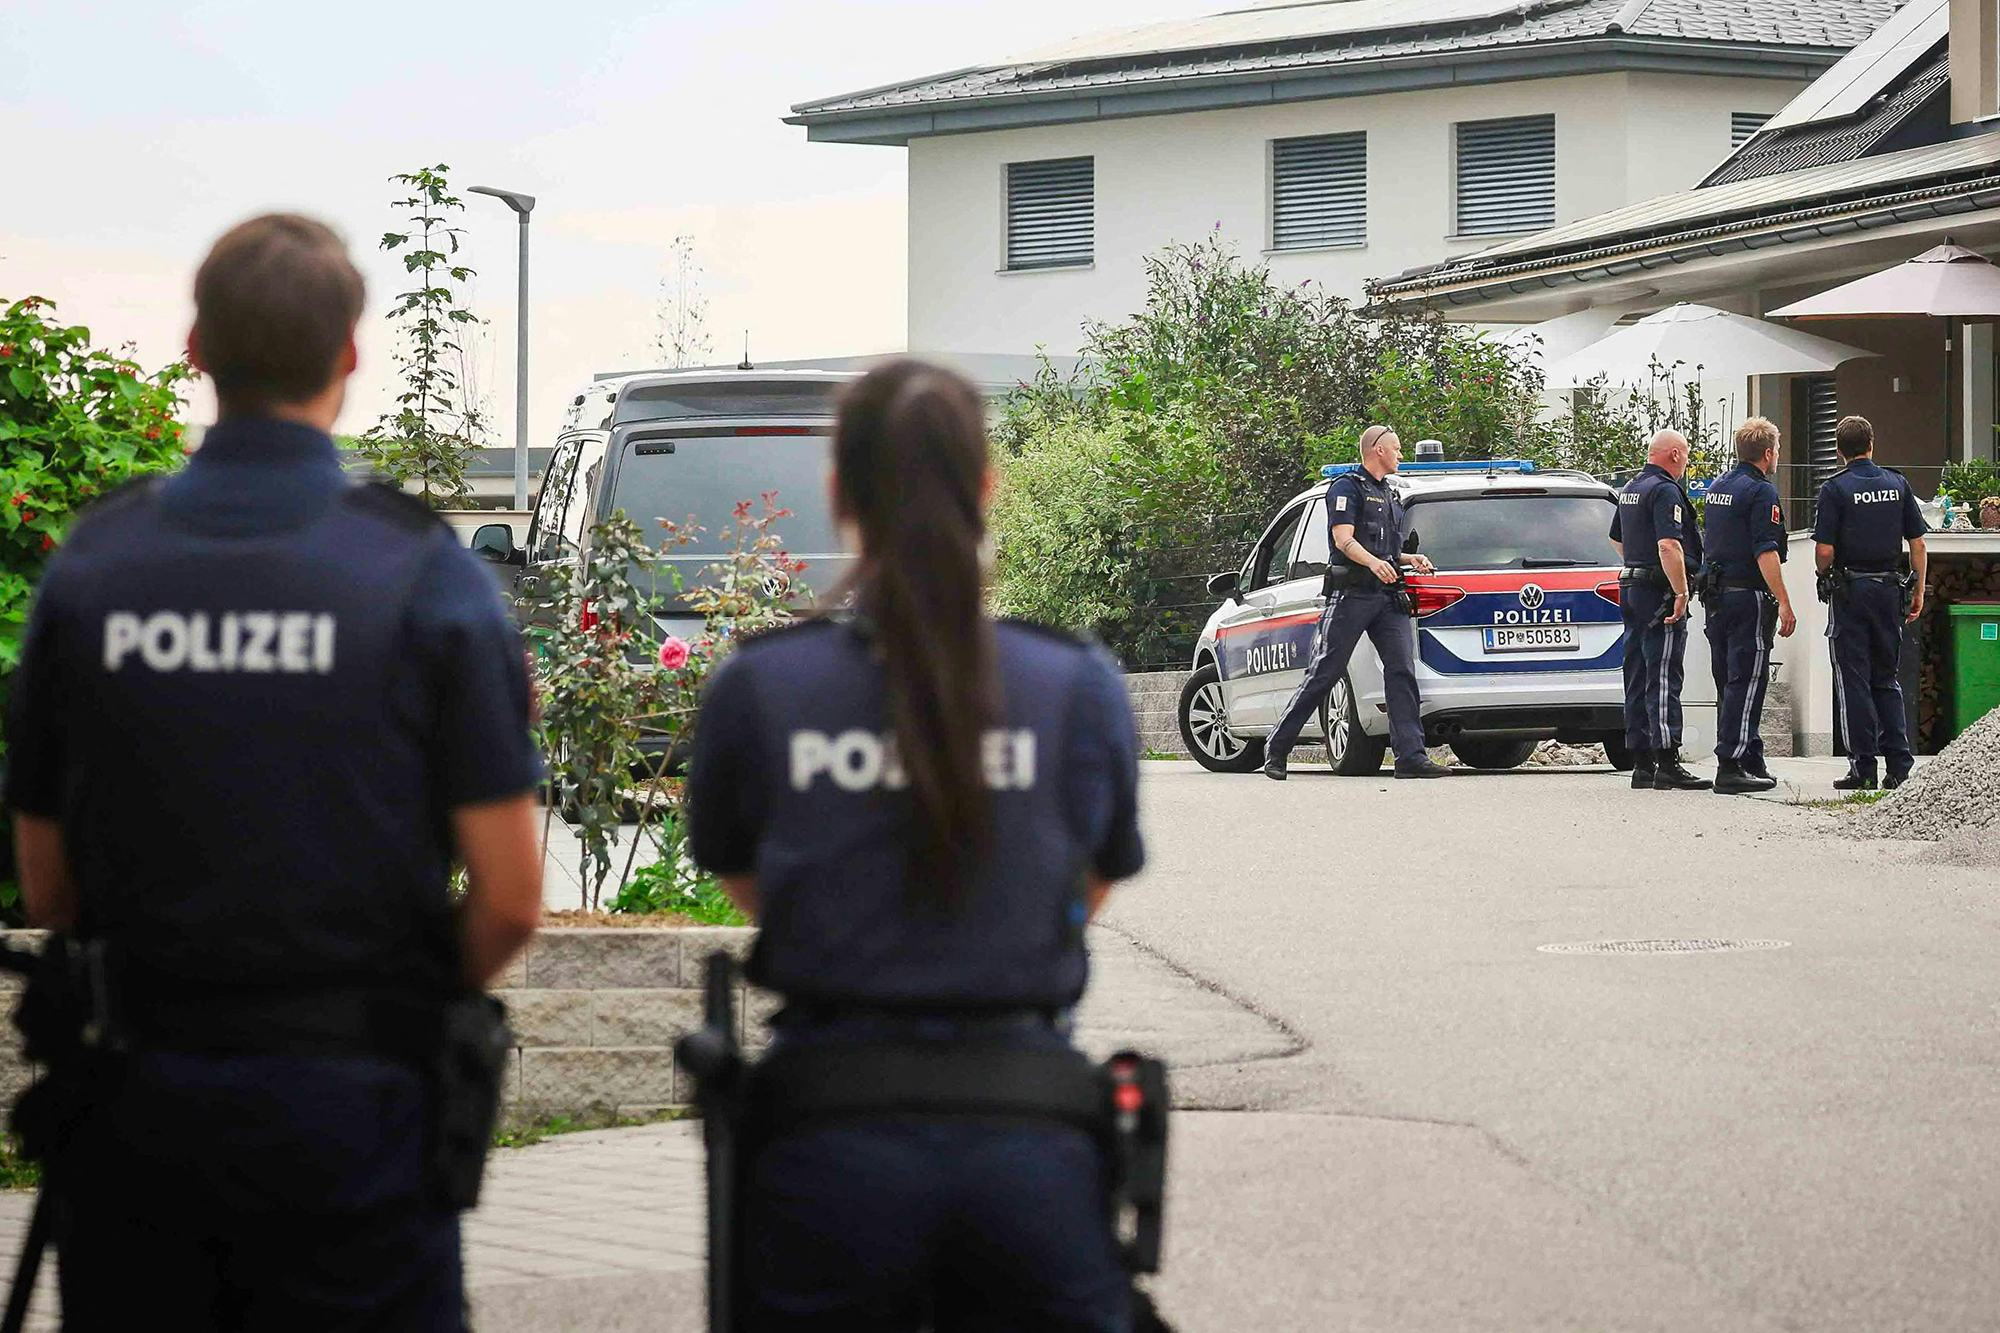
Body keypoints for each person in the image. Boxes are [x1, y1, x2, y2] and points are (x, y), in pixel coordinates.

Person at [3, 215, 544, 1329]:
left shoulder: (95, 568)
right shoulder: (424, 574)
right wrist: (396, 1000)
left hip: (137, 1104)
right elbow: (510, 897)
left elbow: (48, 890)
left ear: (196, 346)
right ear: (349, 355)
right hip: (356, 1117)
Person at [685, 359, 1146, 1331]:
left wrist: (851, 918)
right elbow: (1094, 871)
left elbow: (739, 866)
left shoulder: (761, 686)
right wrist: (1000, 916)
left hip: (823, 1148)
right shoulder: (1072, 684)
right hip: (1032, 1145)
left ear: (838, 494)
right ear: (986, 486)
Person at [1260, 425, 1449, 781]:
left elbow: (1388, 551)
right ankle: (1277, 746)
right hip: (1353, 594)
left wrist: (1410, 559)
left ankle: (1410, 756)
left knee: (1401, 671)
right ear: (1377, 450)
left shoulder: (1390, 493)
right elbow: (1344, 541)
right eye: (1396, 449)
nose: (1401, 455)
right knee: (1326, 670)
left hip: (1387, 596)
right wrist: (1374, 563)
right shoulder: (1347, 487)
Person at [1813, 415, 1929, 790]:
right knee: (1886, 678)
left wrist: (1822, 574)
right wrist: (1919, 590)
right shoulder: (1897, 483)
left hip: (1851, 593)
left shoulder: (1835, 489)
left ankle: (1863, 768)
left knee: (1854, 682)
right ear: (1871, 443)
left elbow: (1824, 551)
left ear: (1838, 449)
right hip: (1889, 590)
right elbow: (1918, 543)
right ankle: (1899, 765)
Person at [1700, 418, 1797, 795]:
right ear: (1769, 453)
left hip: (1716, 596)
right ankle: (1731, 763)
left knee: (1727, 678)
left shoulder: (1719, 486)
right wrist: (1785, 602)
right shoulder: (1761, 492)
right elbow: (1766, 550)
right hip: (1747, 597)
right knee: (1748, 679)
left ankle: (1750, 757)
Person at [1611, 430, 1711, 791]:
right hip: (1659, 593)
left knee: (1636, 672)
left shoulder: (1632, 488)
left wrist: (1639, 565)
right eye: (1685, 456)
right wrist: (1680, 589)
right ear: (1673, 454)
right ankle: (1667, 760)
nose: (1685, 463)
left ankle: (1641, 763)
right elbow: (1669, 544)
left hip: (1632, 587)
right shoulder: (1665, 489)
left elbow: (1616, 538)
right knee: (1664, 672)